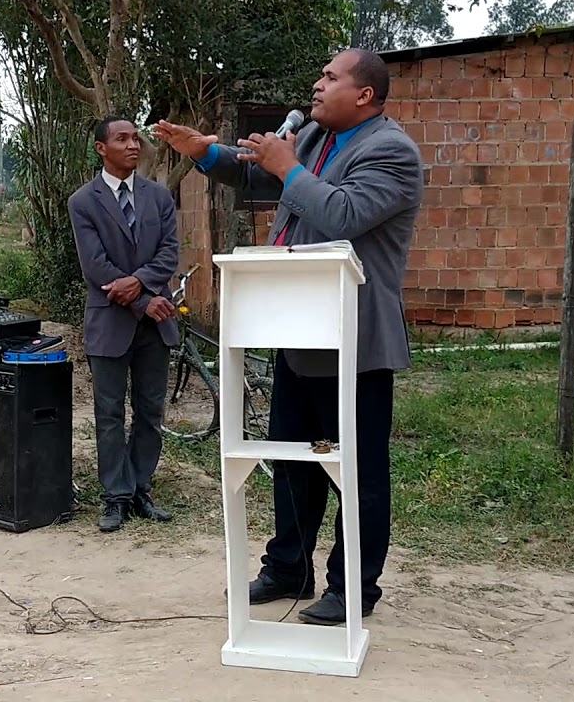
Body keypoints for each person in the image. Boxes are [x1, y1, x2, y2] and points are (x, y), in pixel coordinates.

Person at [154, 47, 423, 625]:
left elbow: (344, 214)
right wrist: (206, 153)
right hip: (296, 329)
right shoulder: (315, 139)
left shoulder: (392, 152)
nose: (317, 85)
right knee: (292, 458)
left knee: (357, 470)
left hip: (354, 341)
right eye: (320, 74)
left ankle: (353, 587)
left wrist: (287, 168)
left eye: (330, 77)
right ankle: (288, 567)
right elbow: (256, 172)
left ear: (365, 95)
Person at [68, 115, 181, 533]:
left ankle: (140, 490)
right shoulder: (83, 201)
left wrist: (143, 291)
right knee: (109, 413)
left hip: (157, 324)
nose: (133, 145)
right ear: (102, 148)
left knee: (150, 411)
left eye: (136, 138)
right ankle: (115, 496)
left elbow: (170, 254)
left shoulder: (159, 197)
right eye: (122, 139)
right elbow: (95, 267)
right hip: (110, 323)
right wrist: (144, 301)